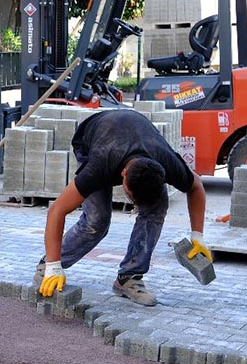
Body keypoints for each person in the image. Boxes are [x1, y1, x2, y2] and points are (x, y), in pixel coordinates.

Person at [37, 108, 211, 306]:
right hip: (93, 139)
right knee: (97, 220)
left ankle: (129, 277)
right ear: (124, 175)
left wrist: (198, 236)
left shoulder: (167, 162)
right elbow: (57, 210)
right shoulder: (99, 166)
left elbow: (196, 187)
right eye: (131, 196)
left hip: (138, 136)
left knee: (157, 207)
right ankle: (46, 267)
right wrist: (53, 266)